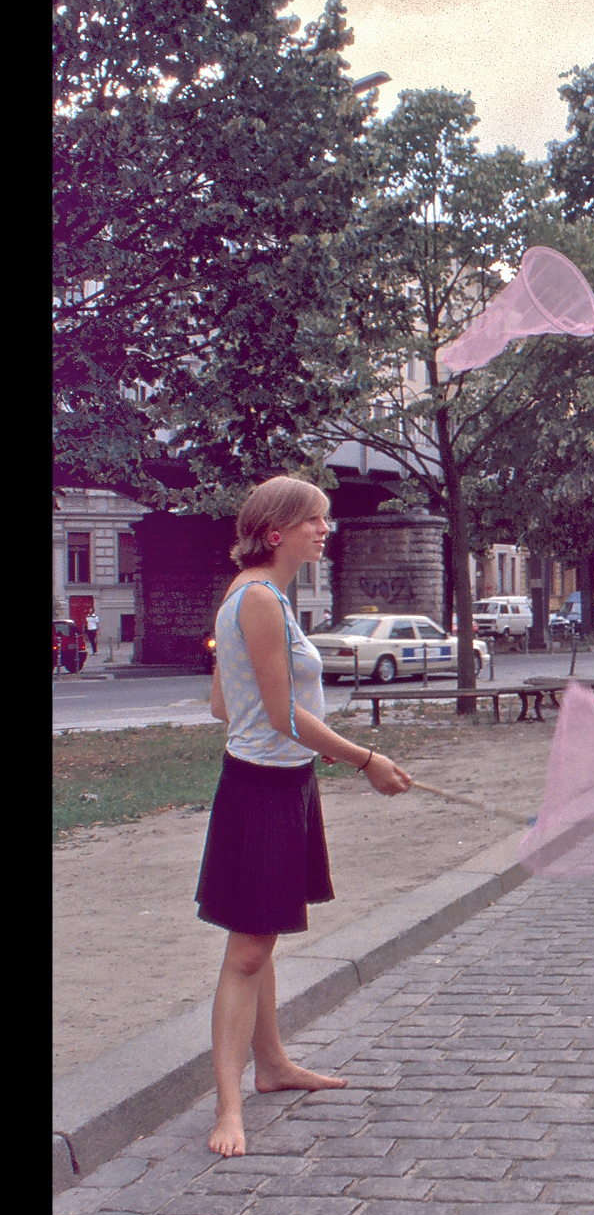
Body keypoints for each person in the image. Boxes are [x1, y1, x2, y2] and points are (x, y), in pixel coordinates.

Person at [196, 477, 413, 1159]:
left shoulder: (261, 597)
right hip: (260, 791)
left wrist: (271, 725)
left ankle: (273, 1065)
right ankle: (228, 1107)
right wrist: (366, 758)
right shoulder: (259, 598)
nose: (326, 529)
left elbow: (222, 704)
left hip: (280, 782)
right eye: (314, 520)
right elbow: (283, 715)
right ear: (275, 531)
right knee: (247, 951)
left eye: (325, 519)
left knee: (261, 939)